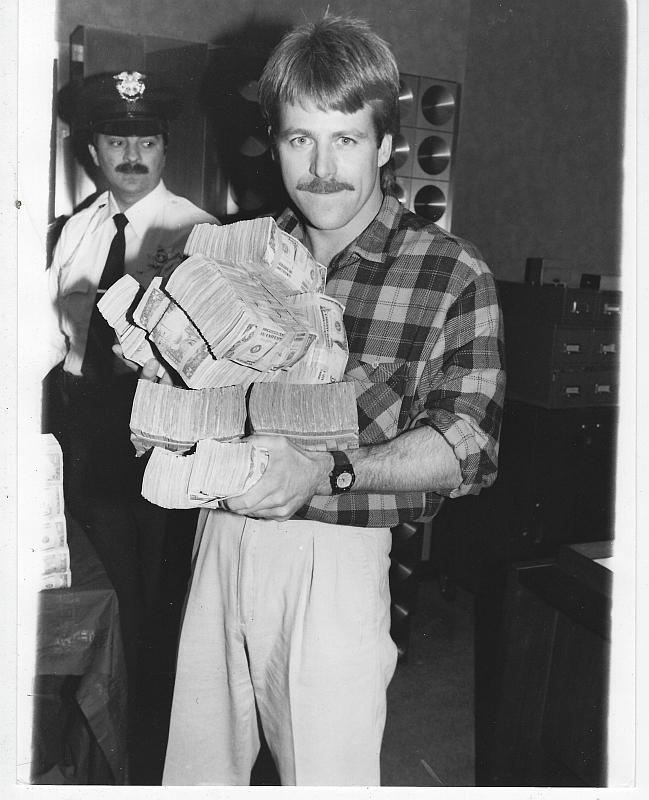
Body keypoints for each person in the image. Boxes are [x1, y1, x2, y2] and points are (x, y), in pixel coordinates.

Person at [158, 16, 505, 787]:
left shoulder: (448, 271)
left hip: (334, 560)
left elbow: (467, 447)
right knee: (195, 773)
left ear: (383, 145)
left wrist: (326, 470)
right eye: (299, 139)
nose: (320, 169)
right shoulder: (239, 251)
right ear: (273, 142)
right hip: (217, 539)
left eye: (344, 139)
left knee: (326, 778)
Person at [45, 69, 218, 774]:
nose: (132, 155)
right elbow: (51, 338)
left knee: (159, 600)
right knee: (101, 593)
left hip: (160, 434)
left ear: (165, 149)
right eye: (117, 140)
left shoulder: (200, 234)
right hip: (83, 428)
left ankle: (153, 750)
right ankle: (105, 740)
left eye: (146, 140)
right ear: (93, 152)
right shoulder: (74, 231)